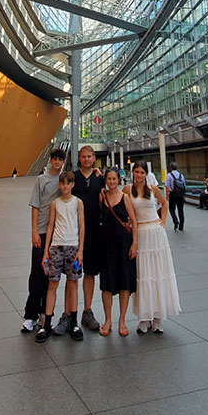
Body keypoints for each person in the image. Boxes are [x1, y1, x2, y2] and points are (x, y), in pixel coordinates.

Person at [126, 160, 180, 334]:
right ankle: (144, 317)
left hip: (155, 234)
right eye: (137, 172)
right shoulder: (127, 190)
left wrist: (163, 221)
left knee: (157, 273)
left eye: (142, 172)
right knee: (143, 274)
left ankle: (157, 317)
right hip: (140, 234)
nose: (139, 175)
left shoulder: (152, 189)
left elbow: (164, 204)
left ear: (146, 174)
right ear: (133, 173)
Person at [21, 148, 65, 333]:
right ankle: (30, 316)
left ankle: (45, 315)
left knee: (51, 277)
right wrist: (34, 232)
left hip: (57, 234)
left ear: (63, 161)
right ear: (51, 161)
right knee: (36, 275)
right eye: (54, 159)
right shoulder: (42, 180)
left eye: (59, 159)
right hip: (41, 232)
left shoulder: (64, 180)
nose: (56, 162)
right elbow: (35, 206)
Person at [37, 170, 84, 342]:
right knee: (52, 284)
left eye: (68, 183)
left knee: (73, 285)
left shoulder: (78, 203)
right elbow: (50, 226)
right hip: (56, 247)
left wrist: (81, 250)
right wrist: (46, 251)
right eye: (62, 183)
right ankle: (47, 324)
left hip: (72, 247)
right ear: (60, 185)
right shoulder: (55, 204)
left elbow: (82, 226)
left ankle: (74, 323)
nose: (65, 186)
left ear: (72, 185)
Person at [99, 167, 137, 336]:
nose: (112, 182)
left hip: (123, 244)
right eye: (109, 179)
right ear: (105, 180)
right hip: (107, 245)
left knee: (124, 283)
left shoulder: (125, 197)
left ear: (118, 180)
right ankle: (108, 320)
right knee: (106, 284)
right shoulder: (102, 197)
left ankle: (122, 320)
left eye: (114, 179)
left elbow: (134, 222)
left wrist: (134, 244)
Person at [69, 144, 103, 332]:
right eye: (83, 157)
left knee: (90, 272)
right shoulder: (73, 178)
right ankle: (69, 312)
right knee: (71, 273)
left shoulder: (100, 179)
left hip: (94, 232)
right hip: (73, 232)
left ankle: (87, 311)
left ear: (94, 158)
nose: (87, 159)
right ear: (79, 158)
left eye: (89, 156)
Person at [166, 161, 186, 231]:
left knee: (171, 209)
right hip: (180, 195)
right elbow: (184, 185)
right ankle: (181, 225)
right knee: (180, 210)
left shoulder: (169, 175)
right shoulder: (181, 175)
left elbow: (167, 186)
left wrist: (167, 195)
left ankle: (175, 220)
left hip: (172, 194)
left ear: (170, 168)